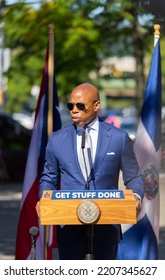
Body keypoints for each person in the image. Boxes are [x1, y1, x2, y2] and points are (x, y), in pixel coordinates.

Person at [36, 82, 144, 260]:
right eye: (70, 106)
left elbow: (134, 177)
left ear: (96, 106)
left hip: (106, 227)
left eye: (80, 106)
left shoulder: (119, 138)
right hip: (69, 226)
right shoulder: (57, 140)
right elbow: (49, 178)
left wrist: (136, 197)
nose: (74, 110)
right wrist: (44, 198)